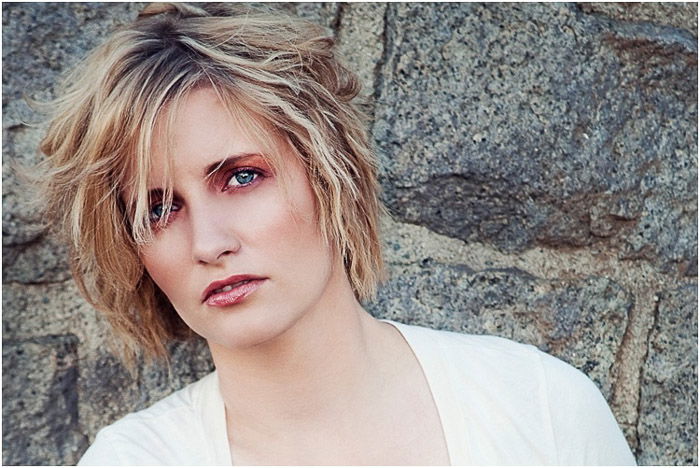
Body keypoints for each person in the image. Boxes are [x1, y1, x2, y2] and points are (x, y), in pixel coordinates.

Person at [38, 3, 636, 465]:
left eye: (242, 177)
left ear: (331, 174)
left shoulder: (539, 409)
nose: (207, 242)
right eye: (160, 210)